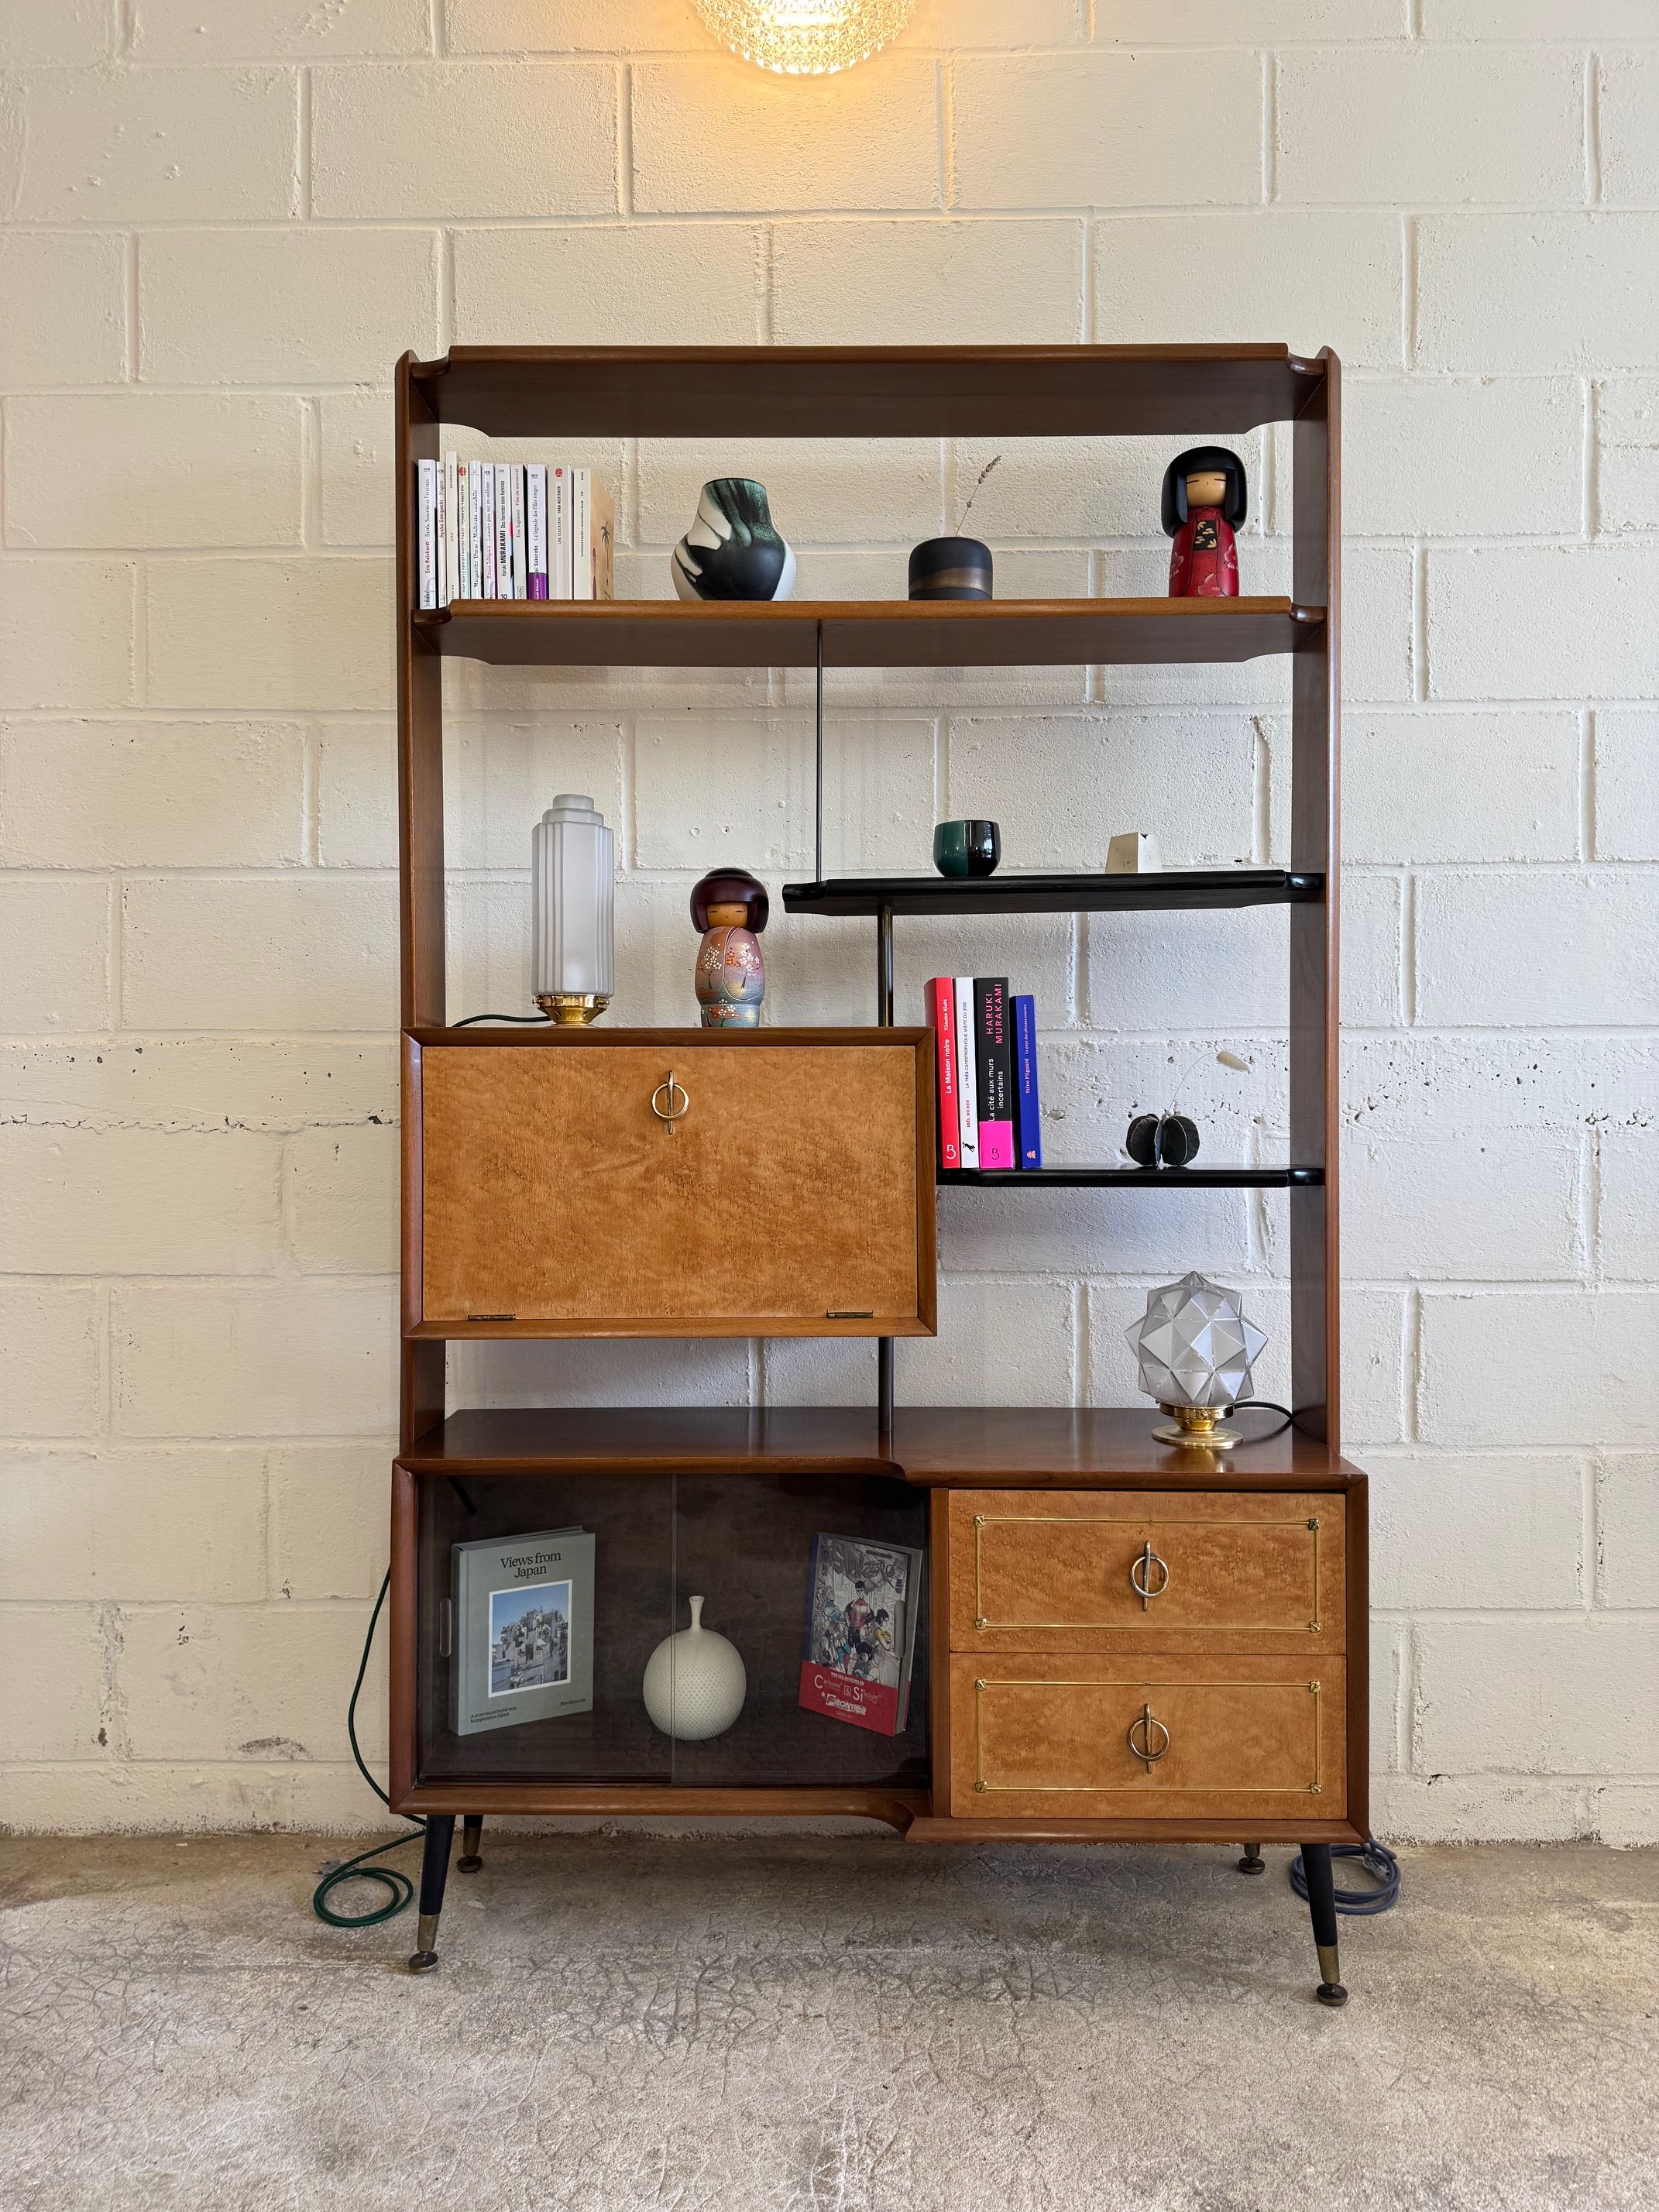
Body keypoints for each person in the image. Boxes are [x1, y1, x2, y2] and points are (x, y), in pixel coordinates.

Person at [1162, 445, 1246, 599]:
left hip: (1222, 577)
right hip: (1187, 579)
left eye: (1218, 480)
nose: (1207, 484)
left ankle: (1223, 591)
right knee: (1187, 579)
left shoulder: (1225, 524)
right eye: (1194, 482)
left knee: (1221, 574)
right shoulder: (1184, 526)